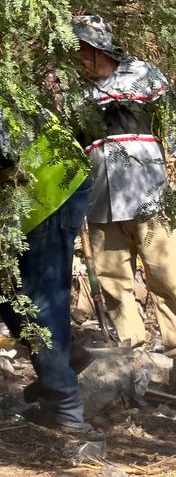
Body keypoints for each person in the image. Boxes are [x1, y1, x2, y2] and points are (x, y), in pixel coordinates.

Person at [73, 15, 176, 357]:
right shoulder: (78, 95)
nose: (78, 60)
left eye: (81, 51)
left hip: (150, 197)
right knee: (112, 281)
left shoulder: (144, 76)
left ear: (98, 50)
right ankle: (129, 348)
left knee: (166, 275)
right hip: (101, 202)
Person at [0, 107, 92, 431]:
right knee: (7, 291)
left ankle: (65, 408)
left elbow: (9, 163)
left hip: (51, 188)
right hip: (43, 183)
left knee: (41, 296)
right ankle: (66, 359)